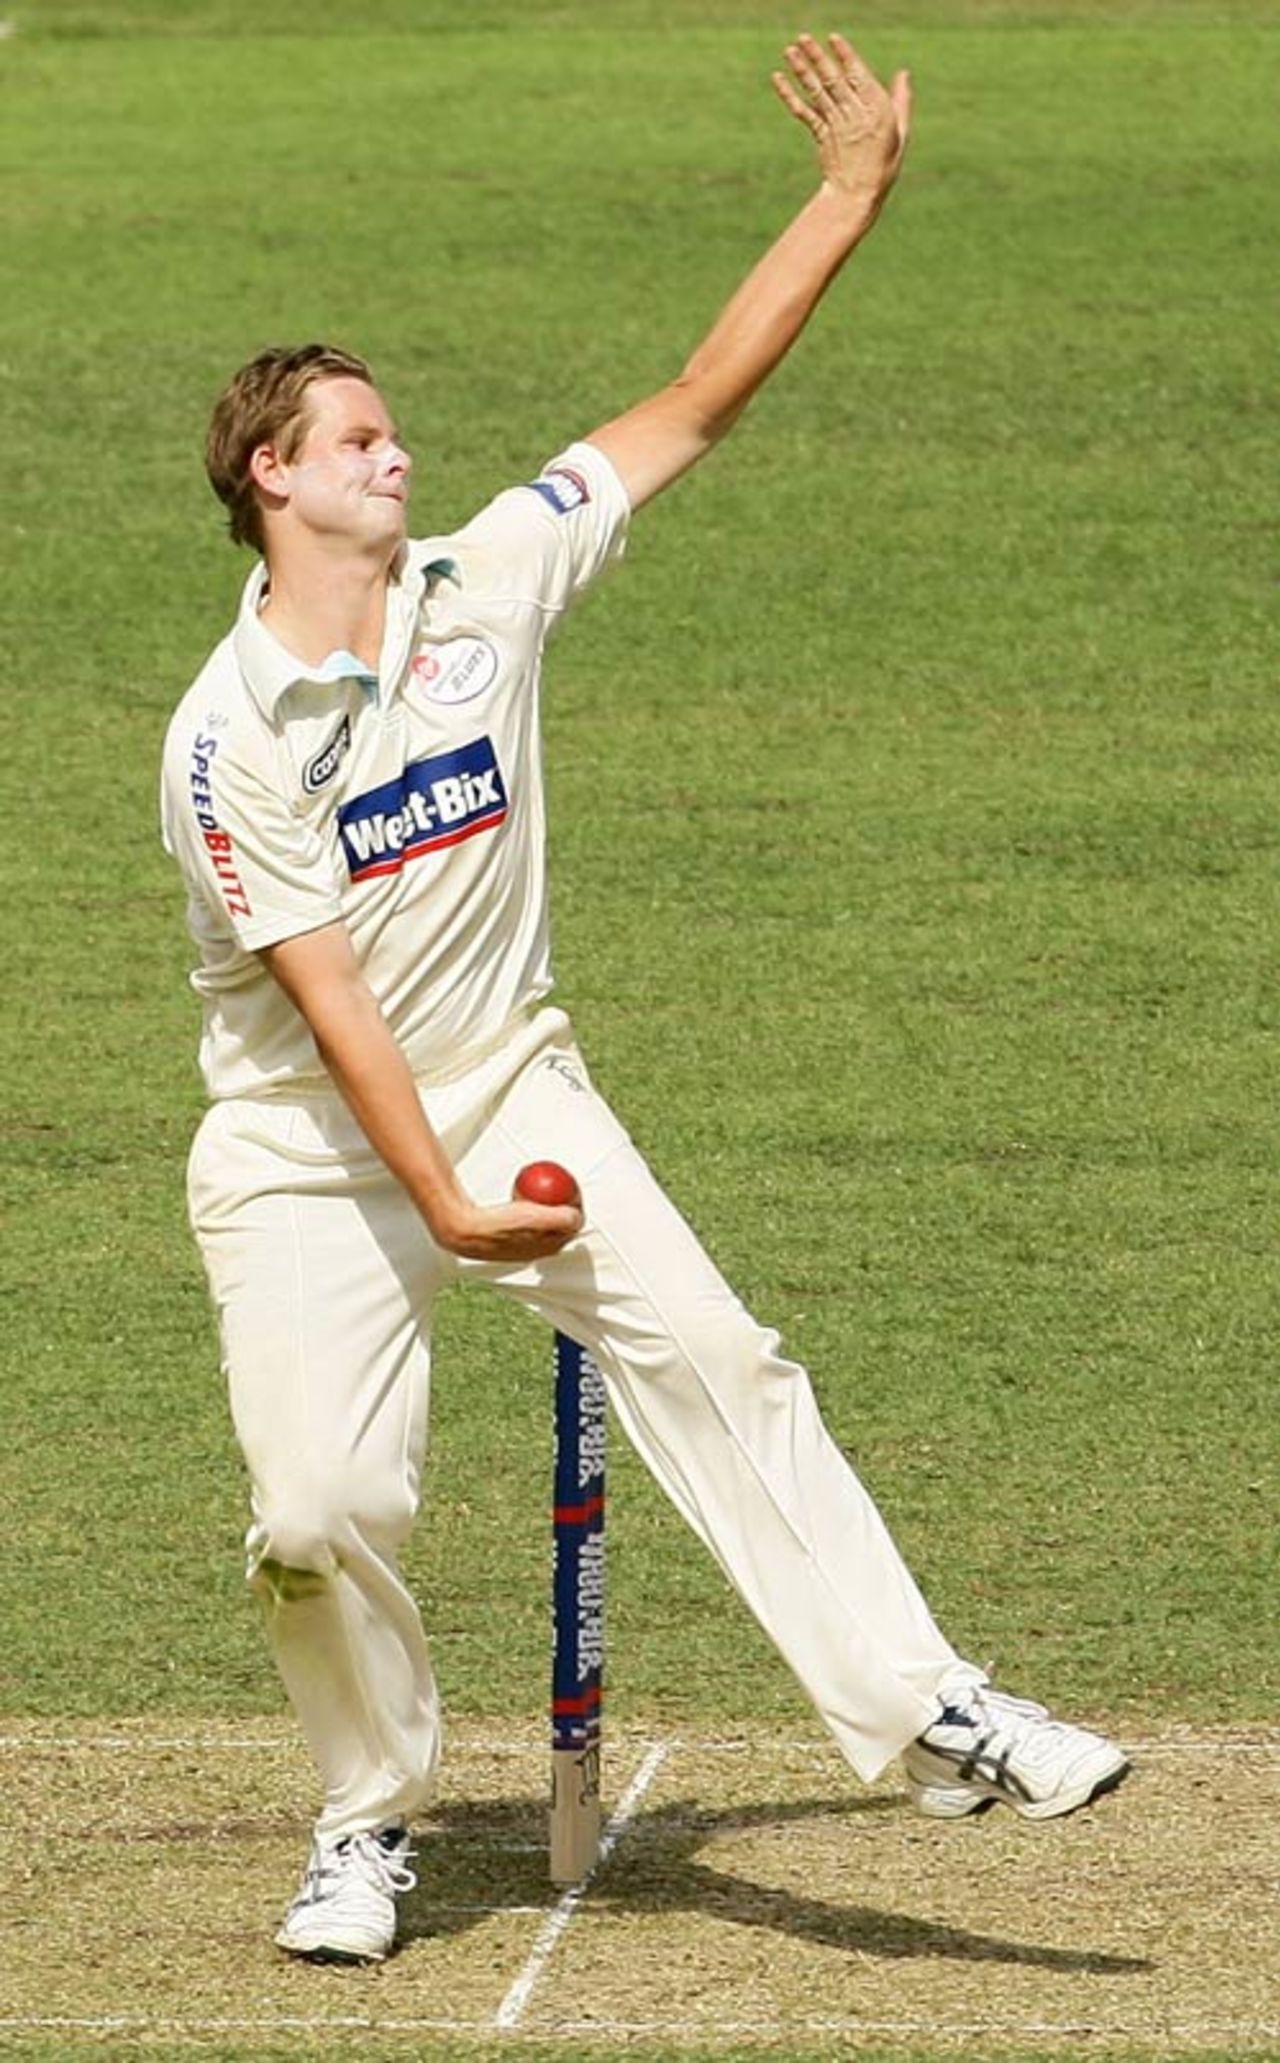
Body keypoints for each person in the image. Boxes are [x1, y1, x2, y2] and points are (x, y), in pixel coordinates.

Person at [161, 32, 1128, 1965]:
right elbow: (325, 988)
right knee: (311, 1511)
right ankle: (367, 1823)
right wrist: (433, 1200)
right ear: (274, 479)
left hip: (513, 1080)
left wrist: (848, 195)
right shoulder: (223, 737)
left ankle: (929, 1710)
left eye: (395, 431)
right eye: (360, 440)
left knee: (725, 1364)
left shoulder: (484, 583)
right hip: (310, 1148)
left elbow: (692, 402)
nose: (399, 452)